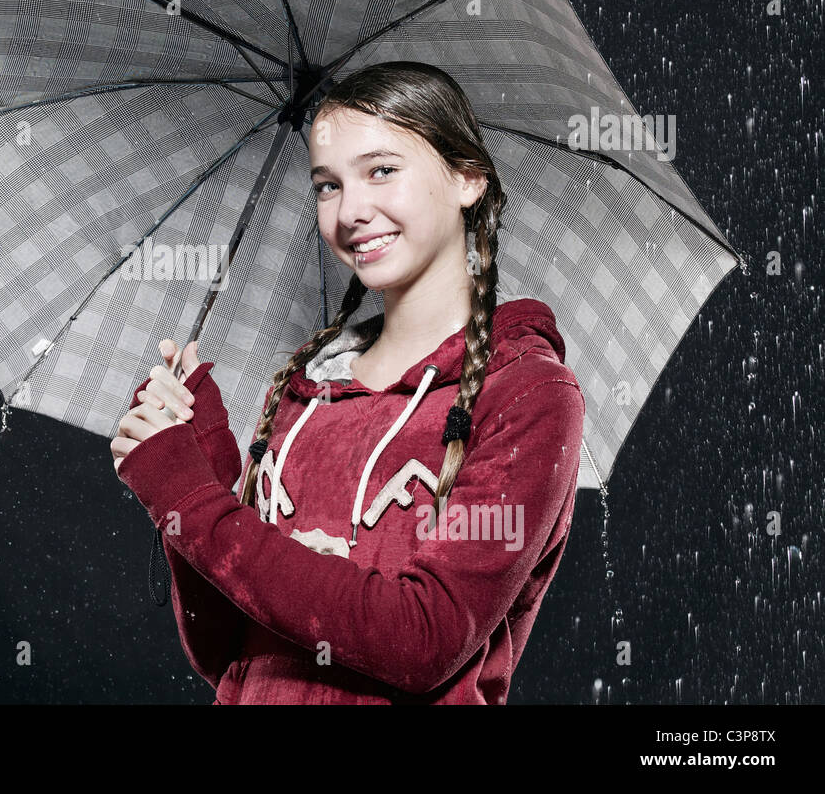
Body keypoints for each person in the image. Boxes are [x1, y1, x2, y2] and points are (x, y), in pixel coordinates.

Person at [109, 61, 585, 704]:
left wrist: (190, 499)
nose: (352, 211)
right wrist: (205, 460)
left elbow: (422, 641)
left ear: (468, 177)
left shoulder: (526, 396)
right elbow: (222, 647)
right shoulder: (304, 391)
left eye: (381, 170)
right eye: (327, 185)